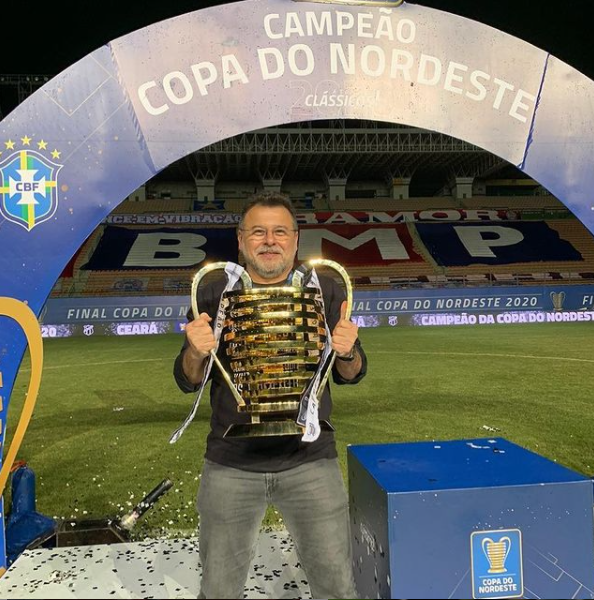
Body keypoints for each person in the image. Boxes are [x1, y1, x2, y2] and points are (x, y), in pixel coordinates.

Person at [174, 192, 367, 599]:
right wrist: (195, 350)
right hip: (231, 463)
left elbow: (351, 373)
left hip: (310, 460)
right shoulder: (213, 291)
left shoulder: (325, 288)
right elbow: (188, 379)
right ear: (241, 240)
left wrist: (348, 351)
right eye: (258, 232)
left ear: (296, 240)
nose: (269, 241)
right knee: (219, 590)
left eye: (280, 232)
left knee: (336, 586)